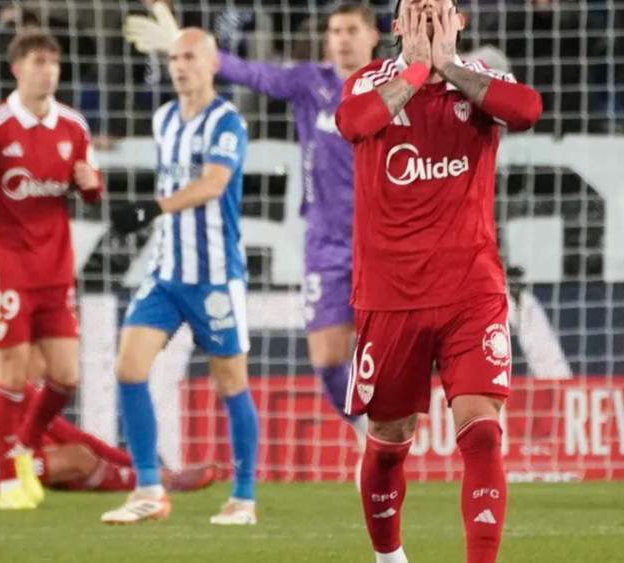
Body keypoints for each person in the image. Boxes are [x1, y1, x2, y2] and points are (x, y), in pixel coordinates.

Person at [123, 0, 380, 463]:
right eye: (335, 31)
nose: (342, 39)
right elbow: (255, 74)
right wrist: (195, 49)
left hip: (384, 242)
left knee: (394, 351)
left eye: (351, 30)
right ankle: (366, 431)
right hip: (325, 241)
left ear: (373, 36)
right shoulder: (312, 82)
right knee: (327, 360)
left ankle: (402, 428)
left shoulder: (391, 87)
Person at [334, 1, 541, 562]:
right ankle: (389, 558)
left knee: (482, 430)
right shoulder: (369, 81)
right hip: (389, 295)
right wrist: (419, 69)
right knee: (388, 440)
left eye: (439, 8)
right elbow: (354, 124)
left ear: (458, 22)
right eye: (416, 9)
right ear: (397, 26)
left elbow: (527, 109)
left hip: (470, 291)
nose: (427, 16)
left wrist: (447, 67)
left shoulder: (481, 81)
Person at [102, 28, 259, 526]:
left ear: (212, 64)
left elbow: (213, 184)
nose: (179, 66)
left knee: (231, 382)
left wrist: (153, 208)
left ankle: (243, 498)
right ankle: (149, 488)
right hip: (167, 273)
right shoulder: (164, 118)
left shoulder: (227, 122)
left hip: (215, 277)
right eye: (173, 58)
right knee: (128, 368)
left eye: (189, 57)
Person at [0, 30, 103, 510]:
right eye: (39, 62)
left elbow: (91, 188)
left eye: (54, 63)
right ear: (17, 68)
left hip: (56, 270)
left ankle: (23, 444)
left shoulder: (74, 126)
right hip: (7, 269)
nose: (48, 71)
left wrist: (92, 183)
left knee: (66, 376)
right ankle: (7, 482)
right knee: (12, 373)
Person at [0, 358, 215, 495]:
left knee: (49, 449)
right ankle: (158, 482)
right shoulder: (14, 384)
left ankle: (145, 479)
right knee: (76, 458)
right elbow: (76, 439)